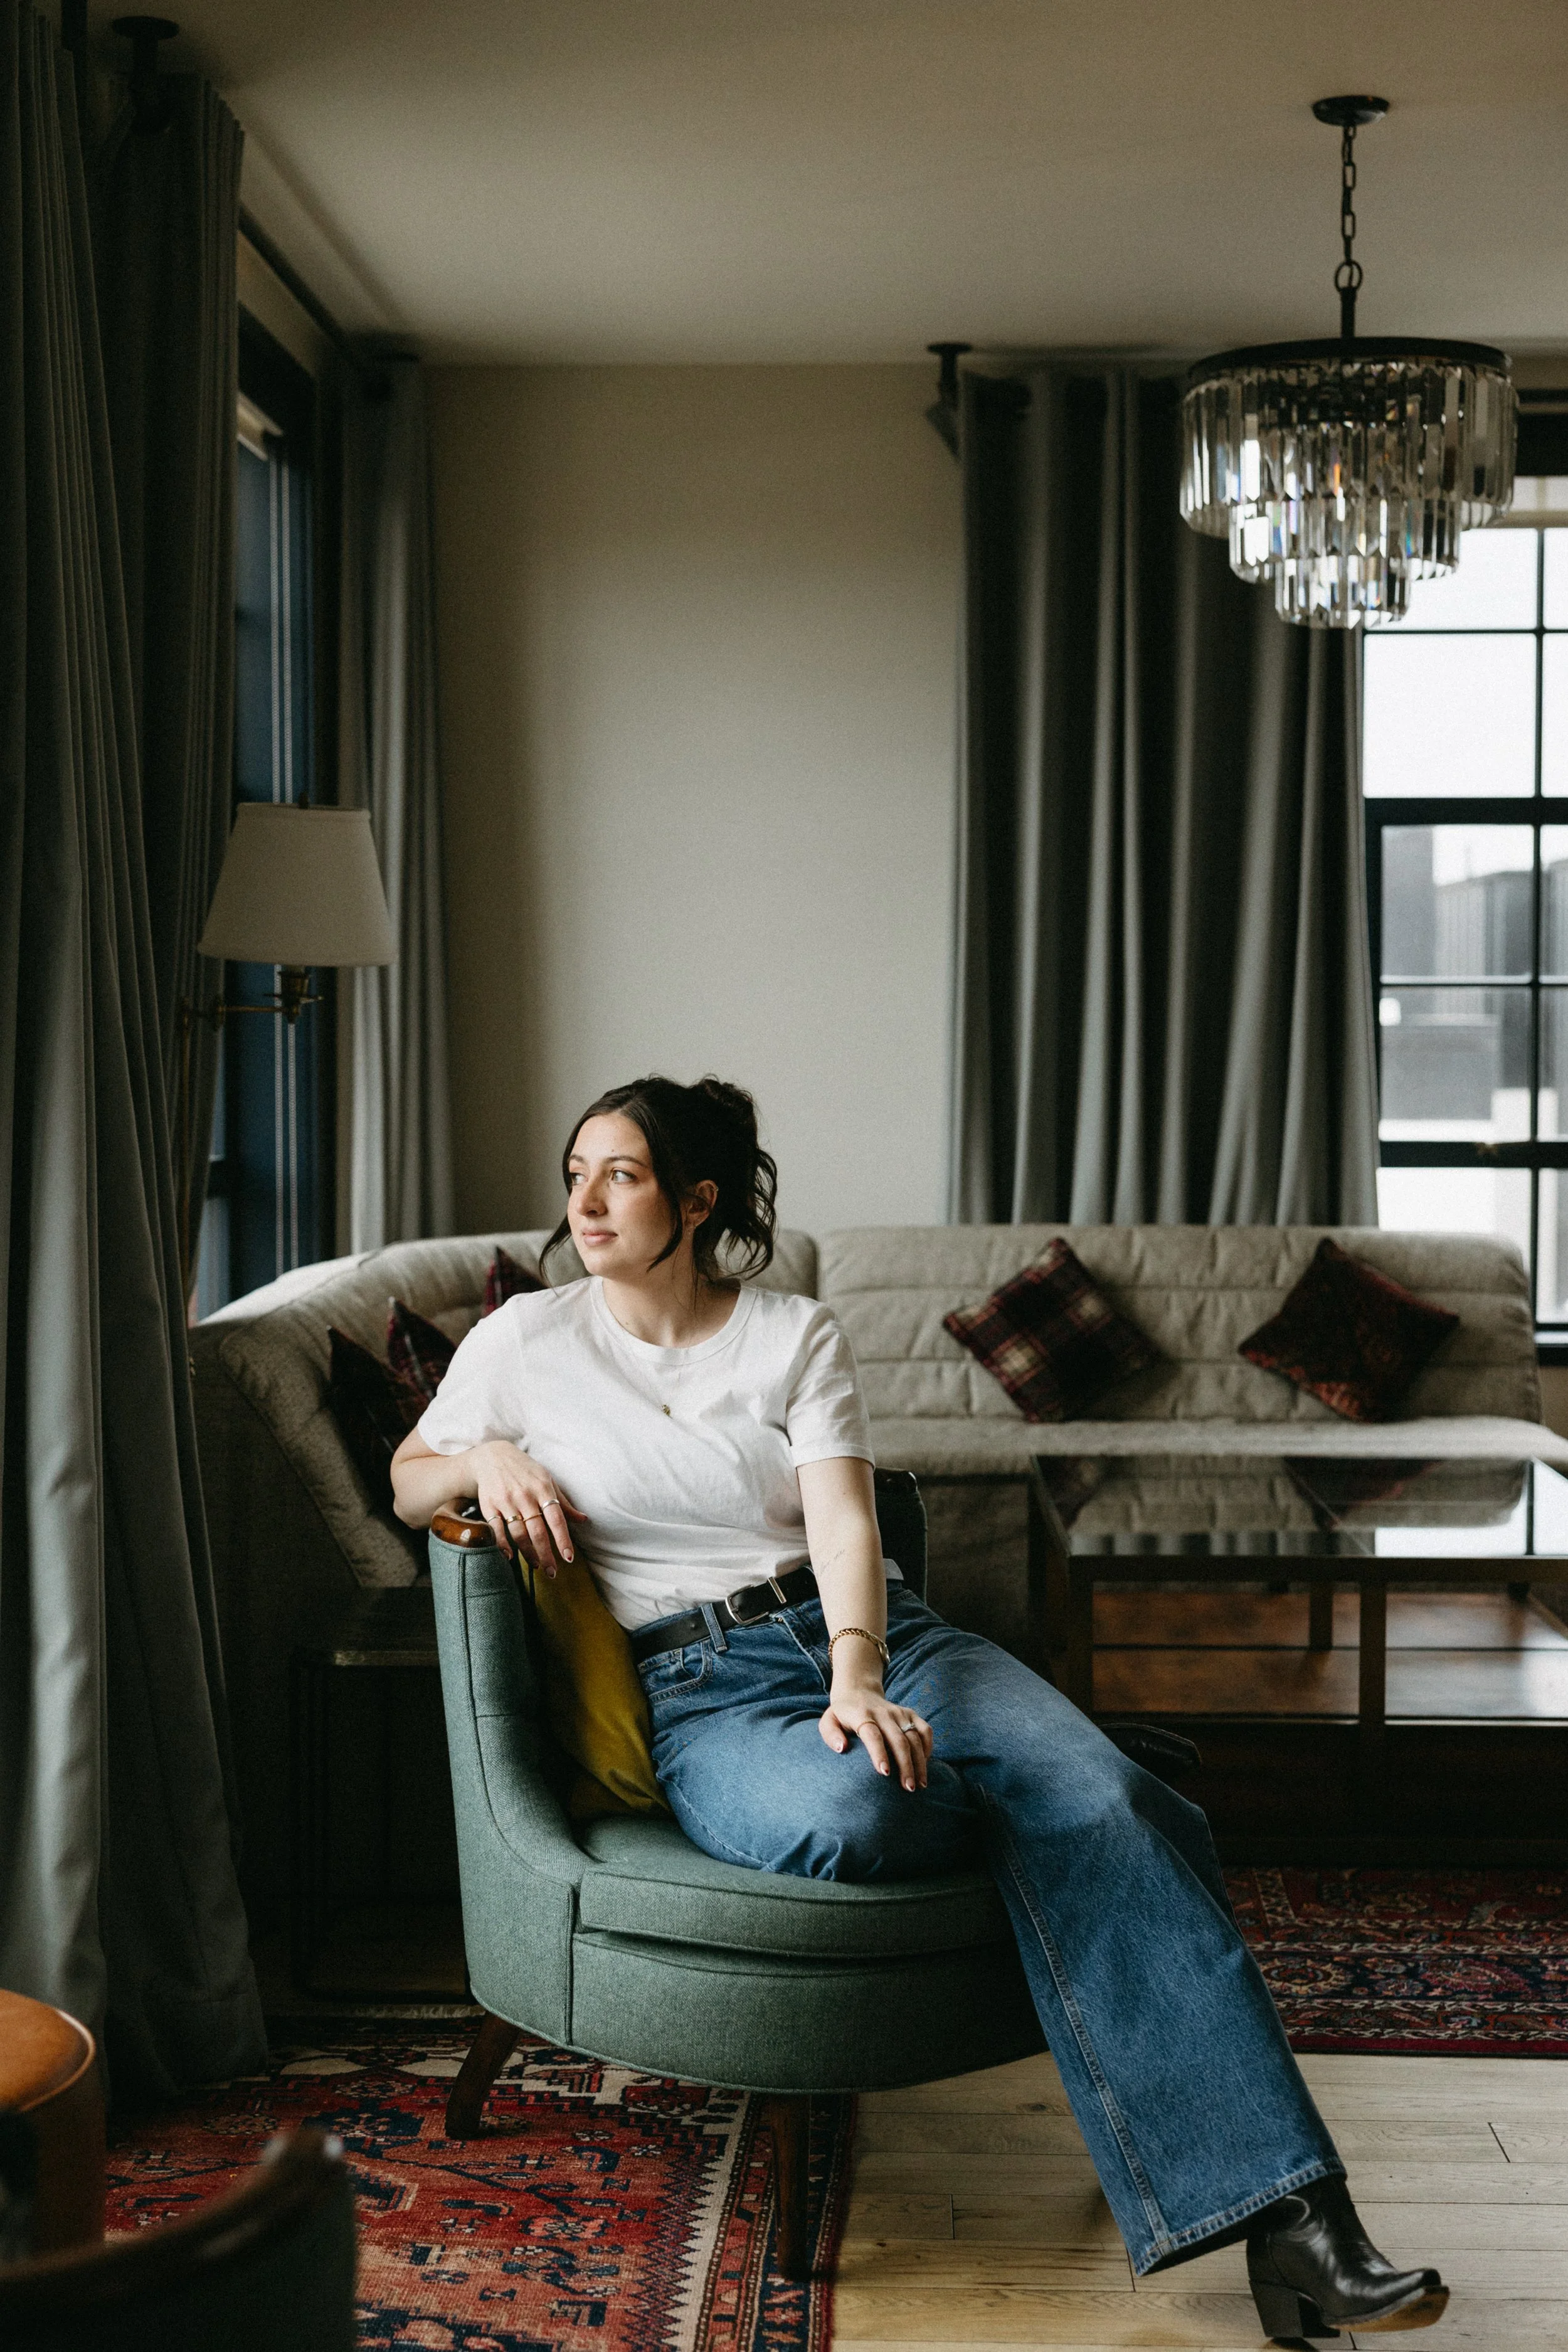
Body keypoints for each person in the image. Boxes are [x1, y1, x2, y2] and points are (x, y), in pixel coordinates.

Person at [391, 1073, 1446, 2342]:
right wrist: (480, 1457)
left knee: (1102, 1798)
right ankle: (1075, 1771)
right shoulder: (526, 1341)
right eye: (577, 1173)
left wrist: (855, 1673)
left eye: (617, 1173)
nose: (585, 1198)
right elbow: (410, 1484)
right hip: (700, 1695)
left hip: (880, 1643)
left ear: (695, 1198)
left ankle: (1302, 2229)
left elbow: (841, 1516)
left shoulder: (791, 1333)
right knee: (865, 1812)